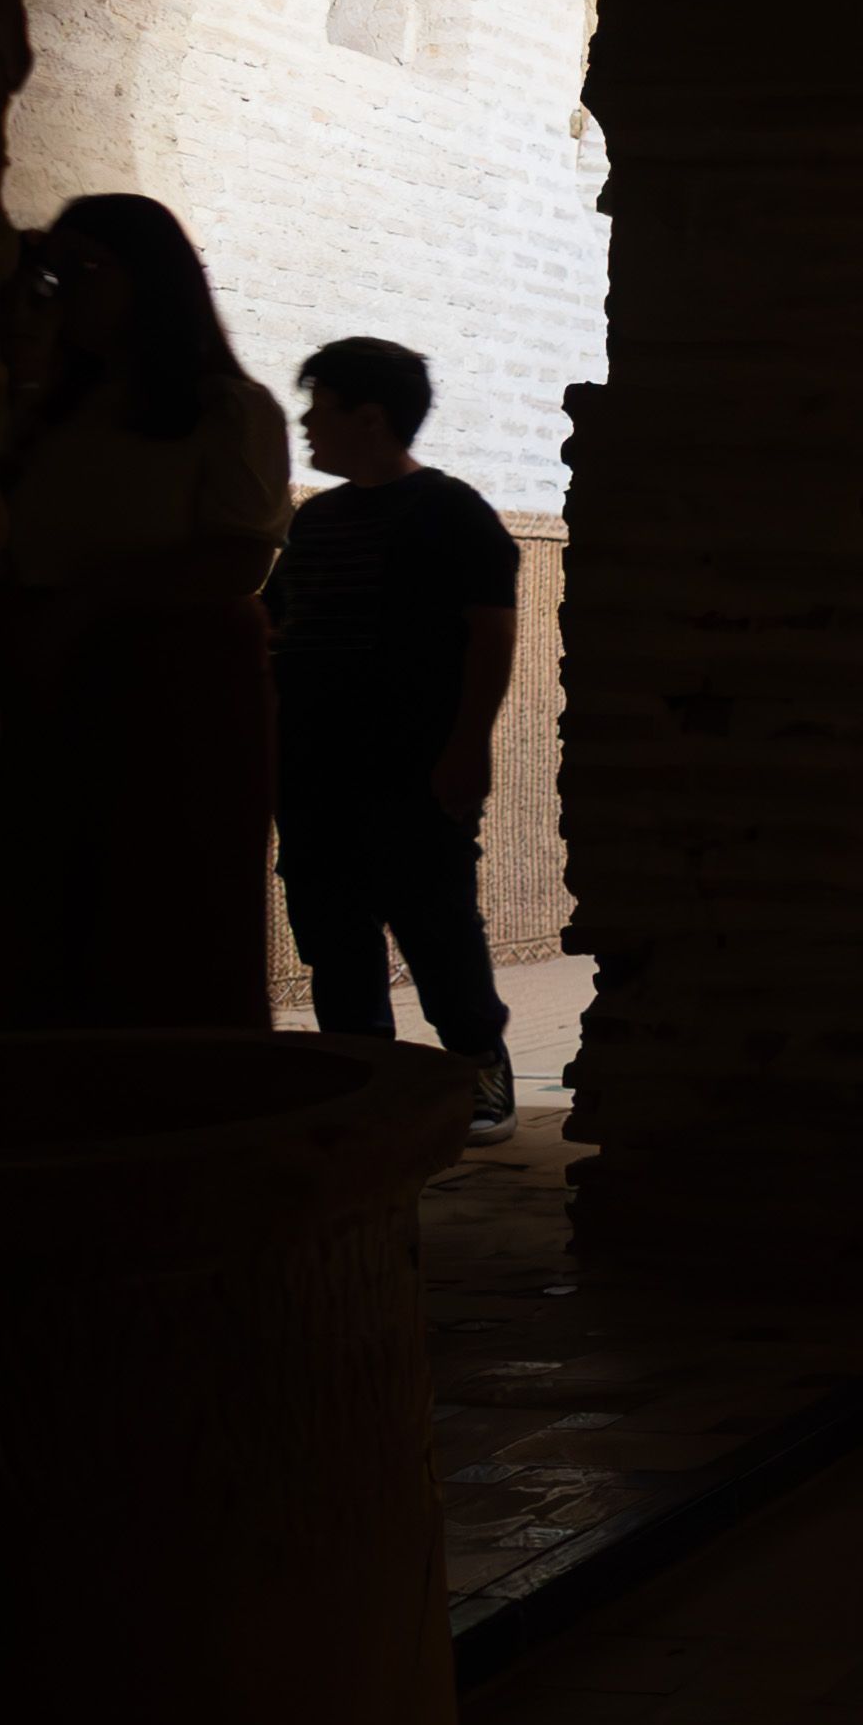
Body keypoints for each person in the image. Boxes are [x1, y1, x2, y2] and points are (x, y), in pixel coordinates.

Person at [0, 194, 294, 1027]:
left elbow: (239, 558)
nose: (63, 292)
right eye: (51, 274)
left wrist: (85, 602)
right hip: (40, 675)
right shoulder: (48, 410)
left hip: (165, 684)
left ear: (152, 280)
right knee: (27, 912)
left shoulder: (222, 408)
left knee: (162, 914)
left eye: (86, 269)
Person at [270, 335, 525, 1137]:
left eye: (319, 408)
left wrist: (468, 743)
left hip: (409, 761)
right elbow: (277, 625)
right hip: (313, 765)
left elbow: (491, 633)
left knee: (434, 919)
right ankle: (363, 1082)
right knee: (331, 927)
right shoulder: (316, 521)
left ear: (369, 418)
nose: (306, 425)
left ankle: (478, 1066)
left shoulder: (451, 512)